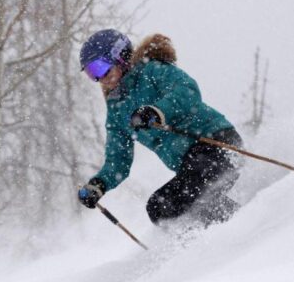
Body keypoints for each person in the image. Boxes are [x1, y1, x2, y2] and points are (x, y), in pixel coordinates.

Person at [76, 29, 243, 229]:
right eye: (91, 73)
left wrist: (157, 111)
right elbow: (118, 160)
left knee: (179, 198)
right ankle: (228, 235)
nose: (100, 78)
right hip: (189, 163)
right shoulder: (117, 108)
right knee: (160, 207)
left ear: (120, 56)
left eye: (100, 67)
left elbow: (186, 90)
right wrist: (99, 185)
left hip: (216, 142)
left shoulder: (152, 71)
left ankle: (245, 226)